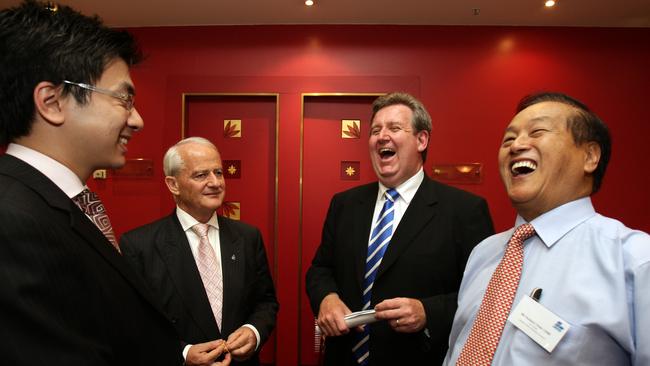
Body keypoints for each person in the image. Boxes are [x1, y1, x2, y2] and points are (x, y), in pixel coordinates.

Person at [0, 1, 185, 365]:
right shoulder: (12, 221)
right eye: (123, 98)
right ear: (52, 102)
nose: (137, 119)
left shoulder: (53, 203)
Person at [444, 92, 650, 365]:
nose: (516, 145)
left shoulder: (635, 260)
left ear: (590, 156)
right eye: (508, 138)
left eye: (537, 131)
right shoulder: (484, 253)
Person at [306, 92, 495, 365]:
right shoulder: (345, 204)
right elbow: (320, 269)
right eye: (375, 130)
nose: (382, 136)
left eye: (394, 128)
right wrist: (327, 298)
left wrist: (428, 311)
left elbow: (485, 293)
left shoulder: (464, 211)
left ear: (421, 140)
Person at [120, 137, 278, 366]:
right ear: (173, 184)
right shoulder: (139, 245)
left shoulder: (247, 237)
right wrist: (183, 354)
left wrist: (253, 331)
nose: (215, 182)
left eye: (218, 172)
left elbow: (266, 302)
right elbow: (134, 322)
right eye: (201, 175)